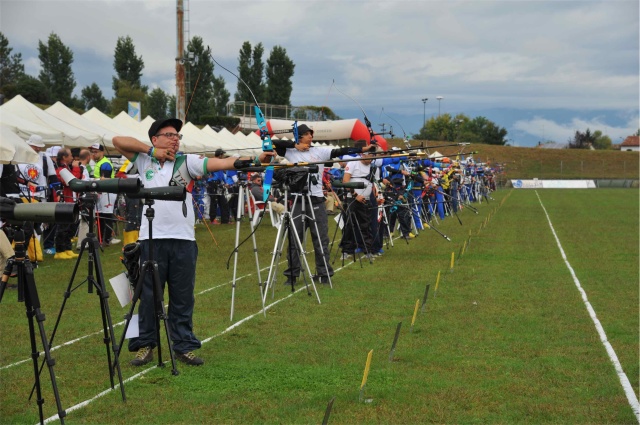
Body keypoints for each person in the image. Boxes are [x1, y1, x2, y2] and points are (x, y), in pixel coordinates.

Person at [113, 118, 273, 367]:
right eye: (169, 135)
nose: (175, 139)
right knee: (147, 296)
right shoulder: (144, 160)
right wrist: (151, 151)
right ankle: (144, 346)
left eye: (178, 136)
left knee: (182, 297)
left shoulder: (188, 162)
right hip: (150, 239)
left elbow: (222, 163)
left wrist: (253, 160)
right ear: (155, 139)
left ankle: (184, 346)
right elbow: (117, 141)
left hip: (183, 240)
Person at [273, 124, 377, 286]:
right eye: (307, 134)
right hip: (298, 200)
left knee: (321, 239)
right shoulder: (291, 151)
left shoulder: (319, 151)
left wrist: (363, 150)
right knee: (294, 238)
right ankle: (292, 275)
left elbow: (340, 151)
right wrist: (295, 146)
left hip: (316, 200)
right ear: (299, 137)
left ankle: (324, 274)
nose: (310, 137)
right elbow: (272, 144)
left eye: (311, 134)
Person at [339, 140, 376, 260]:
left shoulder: (372, 166)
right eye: (368, 156)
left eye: (372, 157)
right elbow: (345, 181)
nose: (370, 159)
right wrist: (355, 195)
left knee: (366, 225)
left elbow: (374, 183)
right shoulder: (353, 163)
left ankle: (367, 250)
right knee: (349, 224)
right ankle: (346, 250)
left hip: (365, 199)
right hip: (353, 199)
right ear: (362, 154)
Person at [89, 143, 121, 246]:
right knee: (100, 215)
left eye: (96, 152)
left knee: (106, 215)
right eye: (92, 152)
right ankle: (100, 239)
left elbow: (104, 180)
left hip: (107, 193)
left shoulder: (105, 163)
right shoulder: (99, 163)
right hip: (101, 192)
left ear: (102, 152)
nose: (94, 154)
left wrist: (94, 180)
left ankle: (107, 239)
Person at [53, 148, 82, 260]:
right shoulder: (60, 170)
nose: (72, 158)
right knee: (62, 227)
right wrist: (75, 168)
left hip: (72, 200)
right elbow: (70, 182)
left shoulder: (67, 168)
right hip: (64, 201)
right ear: (64, 157)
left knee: (69, 227)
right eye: (70, 156)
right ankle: (59, 251)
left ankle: (67, 249)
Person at [207, 149, 231, 225]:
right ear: (220, 155)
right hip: (213, 183)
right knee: (214, 202)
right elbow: (208, 171)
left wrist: (225, 183)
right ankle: (212, 220)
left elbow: (221, 174)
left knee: (223, 202)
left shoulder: (220, 163)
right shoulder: (212, 161)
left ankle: (225, 220)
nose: (223, 156)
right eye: (223, 155)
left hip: (219, 184)